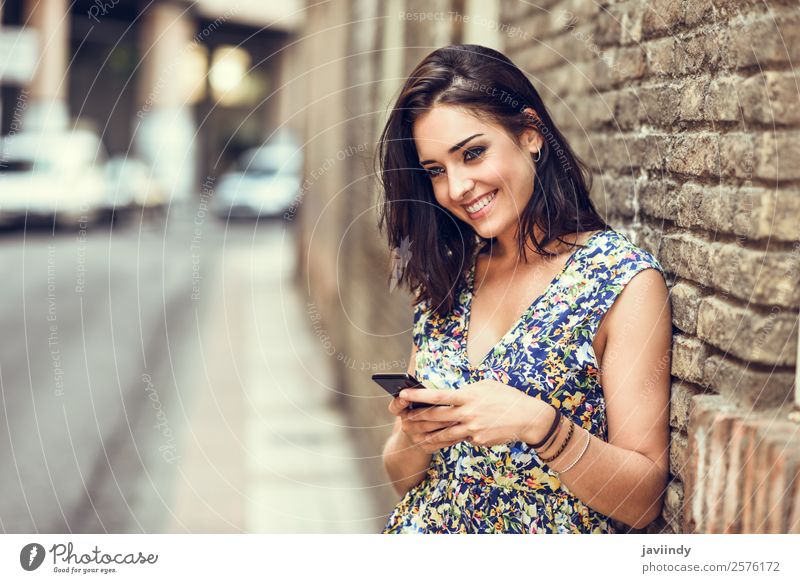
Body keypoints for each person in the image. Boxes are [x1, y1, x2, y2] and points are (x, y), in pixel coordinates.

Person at [375, 44, 672, 534]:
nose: (457, 186)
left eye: (473, 153)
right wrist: (415, 436)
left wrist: (541, 426)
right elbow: (402, 477)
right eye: (435, 171)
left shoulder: (621, 282)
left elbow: (643, 502)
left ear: (531, 135)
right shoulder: (449, 276)